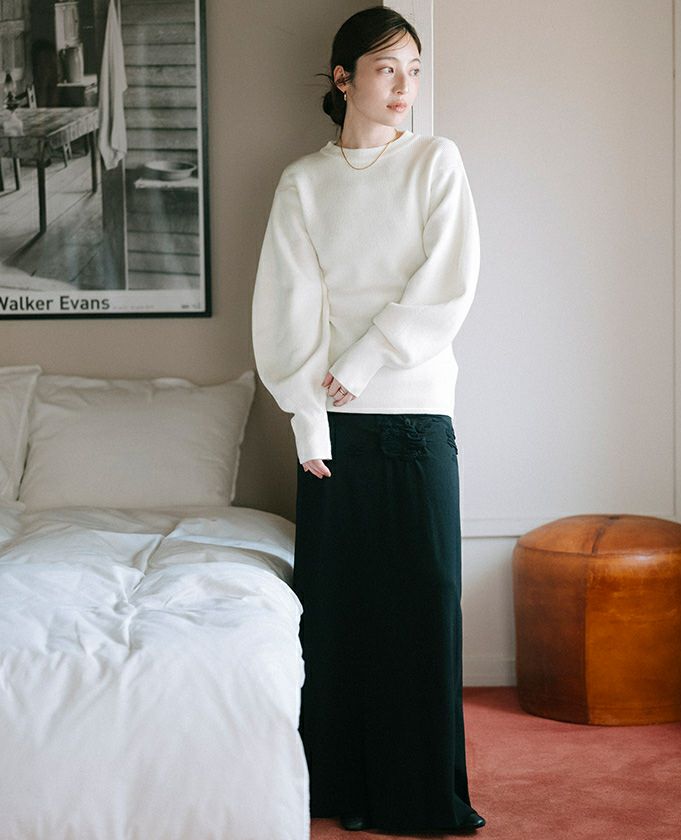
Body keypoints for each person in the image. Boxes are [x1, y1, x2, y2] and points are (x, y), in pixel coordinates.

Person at [252, 6, 485, 833]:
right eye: (388, 69)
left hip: (416, 420)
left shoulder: (435, 160)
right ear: (343, 77)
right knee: (338, 617)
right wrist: (308, 421)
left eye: (414, 70)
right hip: (333, 434)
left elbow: (448, 284)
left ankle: (421, 799)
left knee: (424, 607)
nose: (405, 87)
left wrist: (361, 363)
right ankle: (339, 793)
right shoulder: (303, 182)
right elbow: (288, 308)